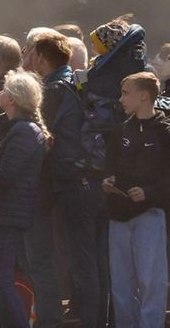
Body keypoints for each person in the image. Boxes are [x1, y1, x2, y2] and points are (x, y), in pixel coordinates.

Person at [25, 29, 102, 328]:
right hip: (86, 177)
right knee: (88, 256)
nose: (28, 57)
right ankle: (93, 317)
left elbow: (43, 137)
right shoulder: (77, 83)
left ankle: (86, 320)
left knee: (79, 258)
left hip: (67, 179)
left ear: (43, 57)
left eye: (32, 52)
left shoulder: (53, 91)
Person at [102, 72, 170, 328]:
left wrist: (149, 193)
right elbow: (110, 168)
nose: (121, 99)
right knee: (121, 284)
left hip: (150, 216)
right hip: (118, 216)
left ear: (144, 95)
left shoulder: (165, 132)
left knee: (151, 281)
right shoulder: (120, 130)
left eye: (126, 93)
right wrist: (108, 182)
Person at [0, 70, 46, 328]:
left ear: (13, 98)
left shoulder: (22, 131)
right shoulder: (18, 128)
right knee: (0, 277)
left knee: (0, 279)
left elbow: (7, 175)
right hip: (9, 214)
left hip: (9, 215)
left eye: (4, 89)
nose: (0, 92)